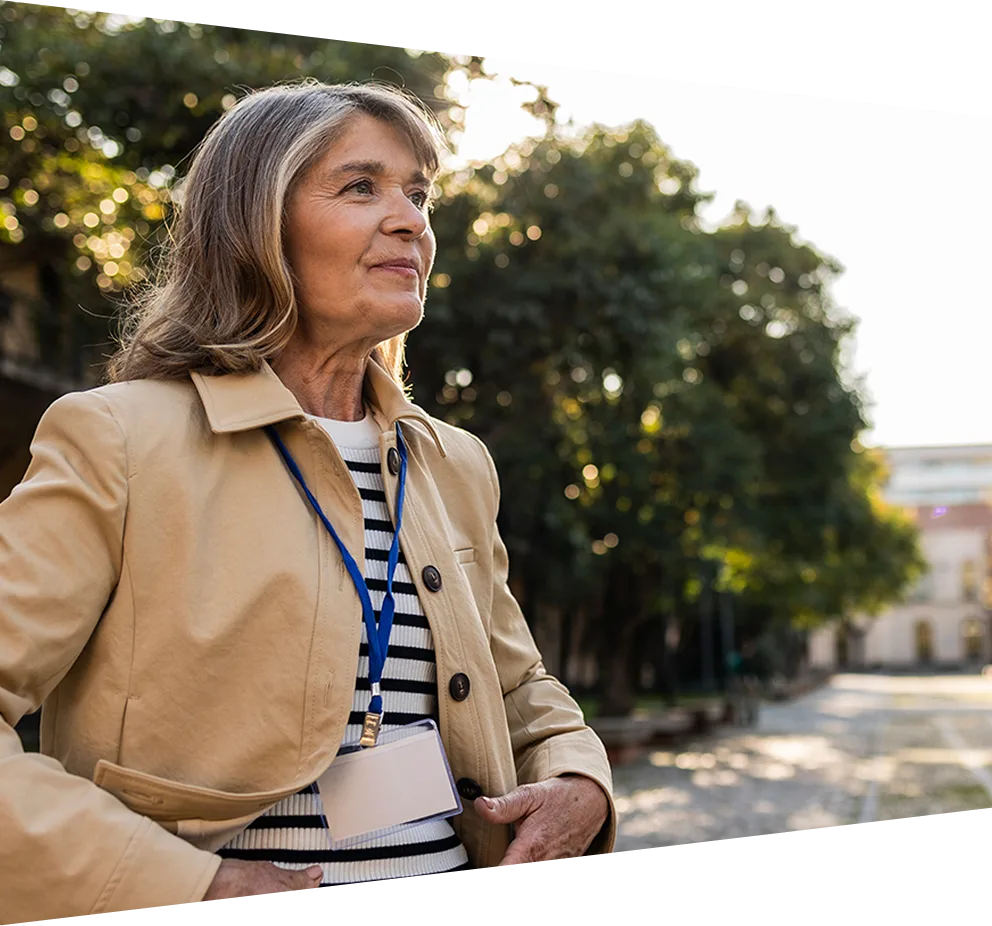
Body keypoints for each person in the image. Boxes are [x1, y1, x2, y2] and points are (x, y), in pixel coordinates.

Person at [0, 81, 615, 923]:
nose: (409, 219)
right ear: (257, 226)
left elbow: (519, 687)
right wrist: (180, 885)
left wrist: (581, 779)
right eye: (361, 186)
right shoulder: (116, 438)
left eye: (418, 193)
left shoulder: (456, 463)